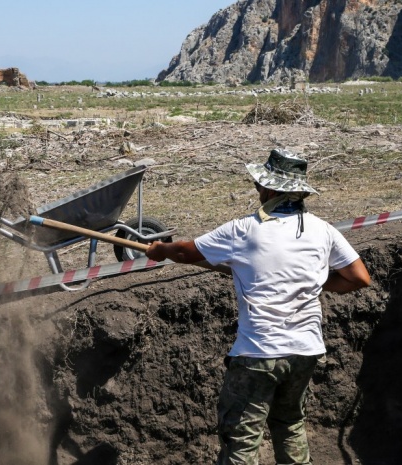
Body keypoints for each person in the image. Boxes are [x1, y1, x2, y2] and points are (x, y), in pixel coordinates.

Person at [146, 148, 371, 465]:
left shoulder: (243, 231)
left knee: (240, 441)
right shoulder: (323, 230)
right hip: (305, 351)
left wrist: (160, 249)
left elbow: (185, 252)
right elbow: (359, 277)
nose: (257, 189)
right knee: (290, 424)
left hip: (258, 353)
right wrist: (311, 281)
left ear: (271, 189)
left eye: (260, 185)